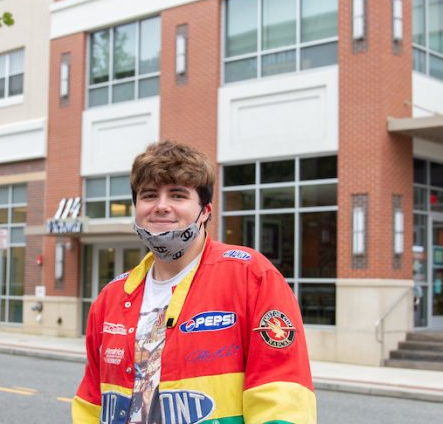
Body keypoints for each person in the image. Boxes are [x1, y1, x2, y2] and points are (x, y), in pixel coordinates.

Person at [72, 140, 316, 423]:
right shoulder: (111, 297)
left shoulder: (252, 278)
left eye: (177, 195)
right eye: (149, 195)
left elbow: (282, 401)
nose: (161, 206)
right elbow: (90, 403)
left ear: (206, 211)